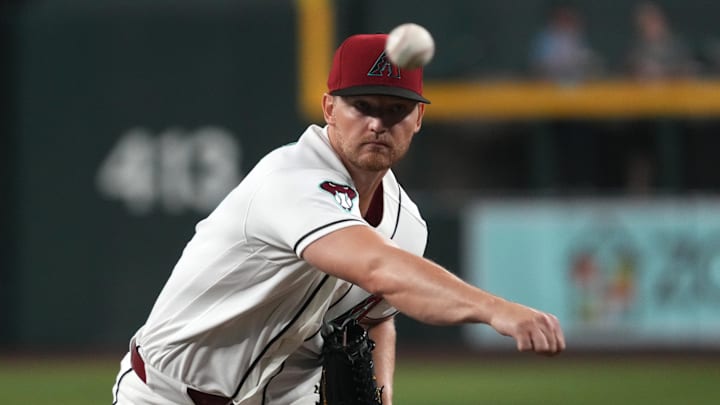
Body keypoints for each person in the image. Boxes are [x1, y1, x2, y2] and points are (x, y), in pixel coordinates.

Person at [111, 32, 565, 405]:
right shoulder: (290, 180)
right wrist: (496, 309)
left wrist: (382, 398)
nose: (377, 123)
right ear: (330, 109)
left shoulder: (406, 225)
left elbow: (376, 316)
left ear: (419, 118)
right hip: (166, 395)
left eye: (396, 109)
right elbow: (378, 269)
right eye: (362, 106)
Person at [529, 2, 603, 85]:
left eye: (569, 17)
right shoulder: (545, 37)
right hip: (550, 82)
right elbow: (539, 64)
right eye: (563, 17)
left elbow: (585, 58)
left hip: (576, 81)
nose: (566, 20)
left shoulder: (576, 35)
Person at [625, 1, 697, 80]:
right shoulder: (636, 50)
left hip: (677, 90)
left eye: (654, 20)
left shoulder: (678, 47)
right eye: (647, 22)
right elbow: (633, 72)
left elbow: (689, 68)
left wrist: (668, 72)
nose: (652, 26)